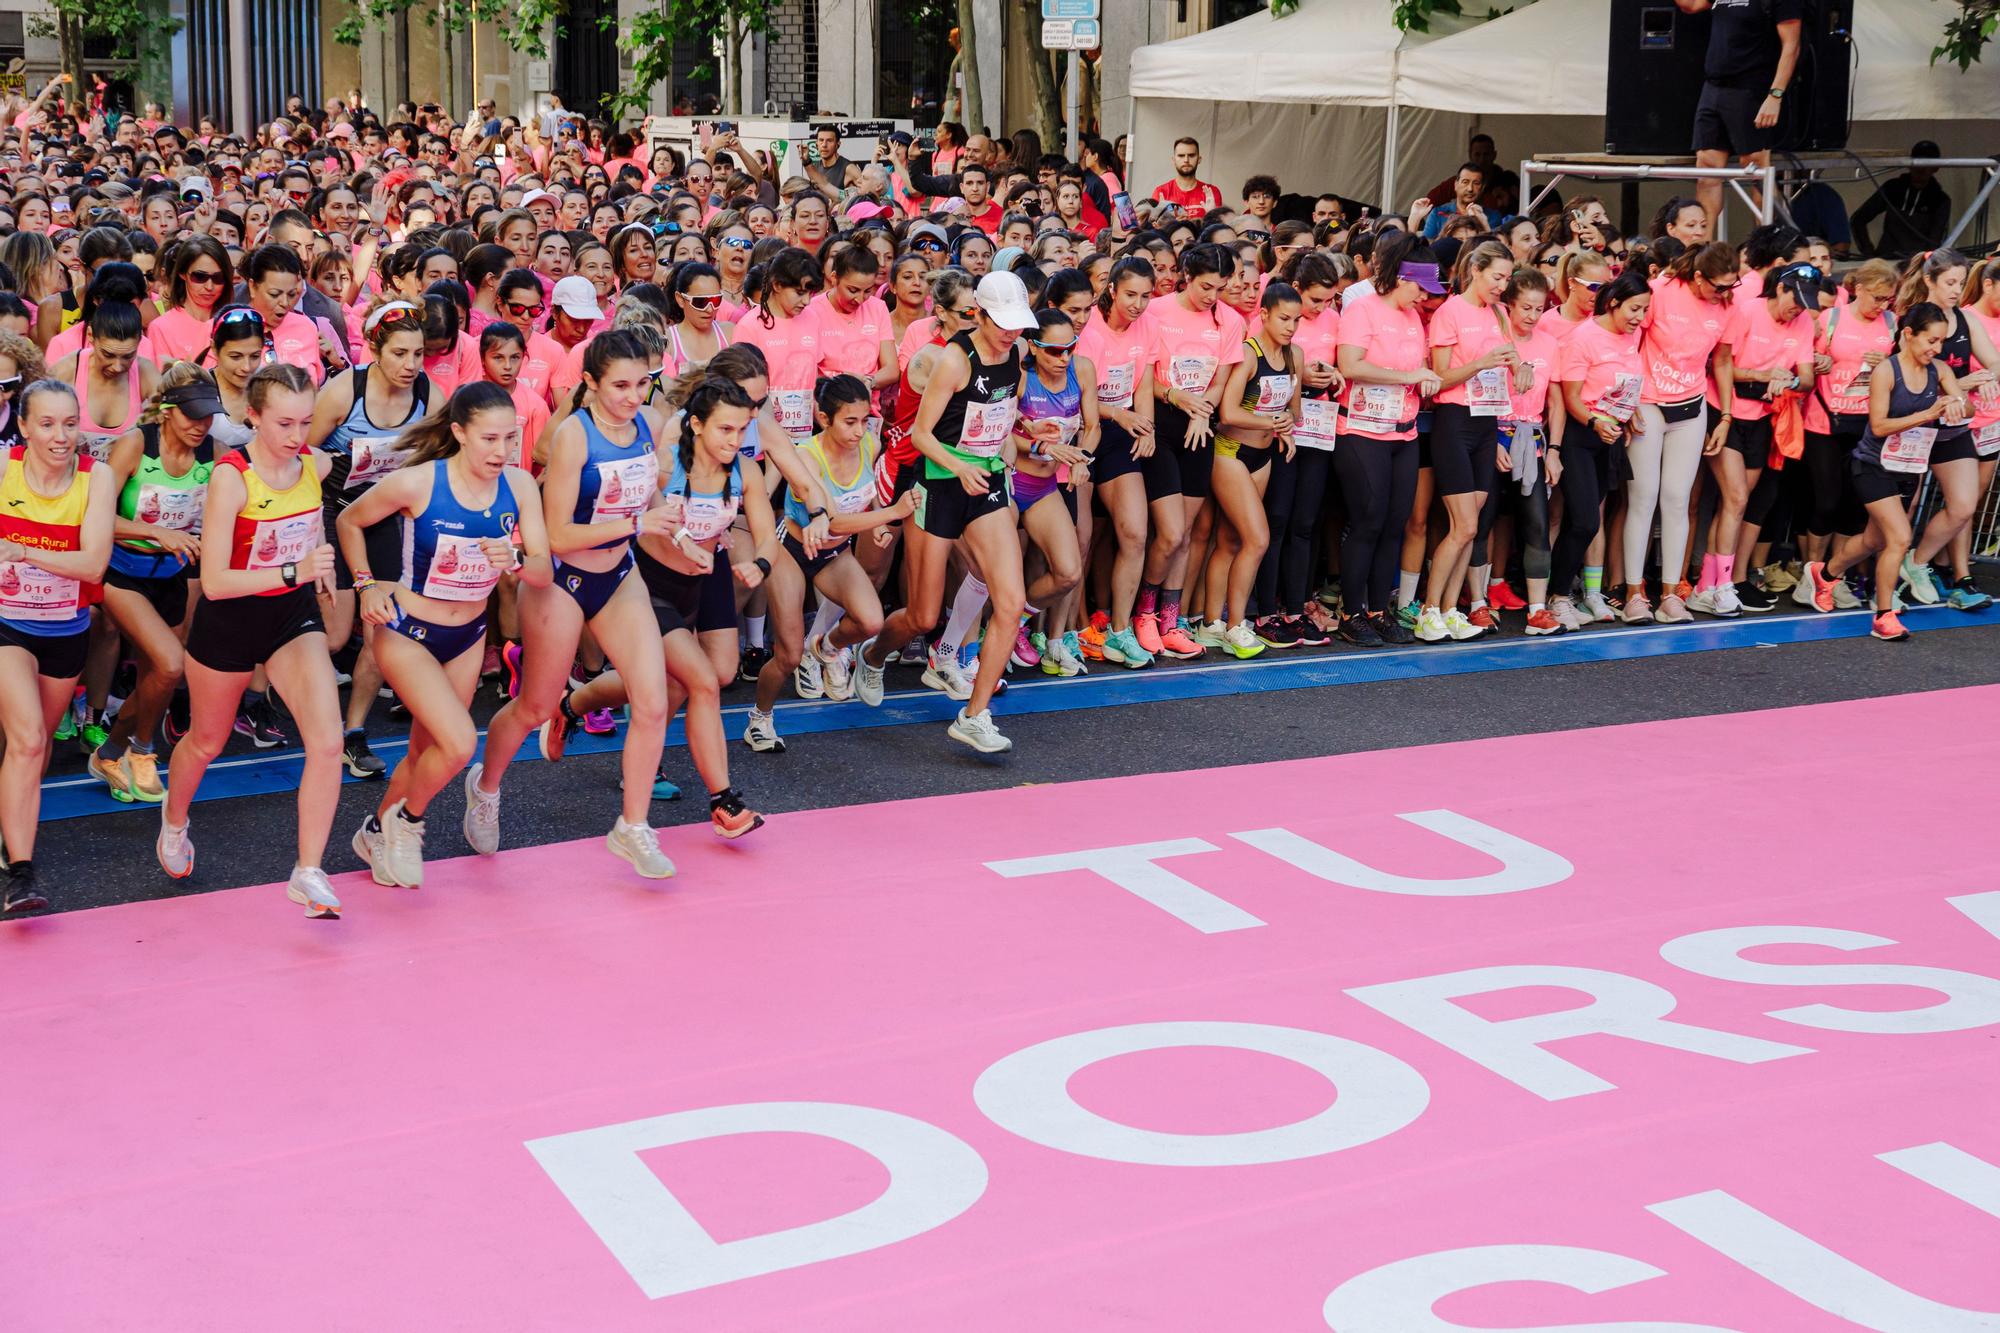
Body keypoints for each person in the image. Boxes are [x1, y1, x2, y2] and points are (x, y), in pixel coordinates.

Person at [337, 382, 551, 889]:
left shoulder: (519, 486)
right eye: (488, 439)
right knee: (457, 746)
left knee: (423, 753)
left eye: (509, 439)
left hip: (468, 636)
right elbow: (349, 521)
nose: (501, 452)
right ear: (458, 433)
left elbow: (542, 567)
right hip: (407, 632)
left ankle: (374, 831)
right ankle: (408, 822)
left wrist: (517, 560)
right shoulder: (418, 483)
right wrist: (366, 585)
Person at [158, 364, 345, 919]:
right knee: (206, 742)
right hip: (231, 621)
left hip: (290, 618)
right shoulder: (231, 478)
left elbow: (310, 523)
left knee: (328, 742)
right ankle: (174, 819)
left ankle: (308, 871)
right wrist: (294, 569)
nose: (296, 436)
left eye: (306, 423)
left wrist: (324, 564)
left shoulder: (317, 462)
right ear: (253, 417)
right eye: (284, 423)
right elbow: (214, 581)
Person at [856, 270, 1040, 755]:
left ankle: (974, 716)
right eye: (1002, 322)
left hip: (986, 484)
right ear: (977, 312)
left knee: (1009, 599)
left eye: (1017, 323)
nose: (1011, 332)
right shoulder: (955, 359)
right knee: (921, 615)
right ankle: (873, 654)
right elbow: (920, 434)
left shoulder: (1017, 353)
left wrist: (1009, 450)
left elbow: (1003, 413)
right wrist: (959, 467)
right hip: (939, 483)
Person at [0, 379, 115, 914]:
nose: (60, 435)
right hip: (7, 626)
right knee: (25, 740)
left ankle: (9, 827)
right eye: (46, 424)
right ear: (22, 427)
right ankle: (22, 873)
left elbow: (92, 565)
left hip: (65, 631)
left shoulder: (98, 478)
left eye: (70, 423)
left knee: (37, 747)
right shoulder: (3, 471)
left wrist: (21, 549)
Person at [306, 300, 435, 779]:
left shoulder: (426, 393)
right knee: (337, 634)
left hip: (382, 518)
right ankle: (304, 706)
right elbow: (302, 453)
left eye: (418, 354)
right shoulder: (345, 391)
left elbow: (439, 453)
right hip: (333, 512)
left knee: (380, 629)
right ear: (375, 350)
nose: (410, 365)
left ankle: (353, 733)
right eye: (400, 353)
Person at [744, 375, 907, 750]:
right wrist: (891, 515)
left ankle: (826, 646)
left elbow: (867, 494)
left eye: (865, 420)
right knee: (787, 654)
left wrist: (879, 516)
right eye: (849, 421)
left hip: (835, 552)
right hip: (794, 550)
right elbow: (832, 520)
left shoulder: (869, 443)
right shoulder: (806, 455)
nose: (859, 430)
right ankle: (760, 719)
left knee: (870, 621)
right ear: (823, 418)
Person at [1796, 302, 1969, 642]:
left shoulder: (1940, 370)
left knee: (1873, 540)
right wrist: (1929, 413)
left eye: (1941, 342)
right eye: (1931, 340)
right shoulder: (1887, 372)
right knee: (1899, 538)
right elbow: (1877, 425)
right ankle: (1883, 616)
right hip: (1872, 466)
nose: (1936, 348)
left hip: (1908, 467)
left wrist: (1958, 404)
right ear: (1908, 335)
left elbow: (1967, 404)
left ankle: (1824, 573)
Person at [89, 365, 221, 804]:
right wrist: (155, 533)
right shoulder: (134, 446)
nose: (201, 426)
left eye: (208, 416)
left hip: (172, 576)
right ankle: (143, 751)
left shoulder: (213, 455)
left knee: (156, 683)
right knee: (169, 664)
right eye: (192, 416)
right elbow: (95, 518)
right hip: (122, 573)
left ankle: (109, 754)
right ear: (166, 411)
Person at [1135, 243, 1244, 661]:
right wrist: (1177, 397)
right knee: (1171, 532)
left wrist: (1205, 413)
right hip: (1161, 422)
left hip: (1200, 427)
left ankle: (1170, 618)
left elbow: (1220, 377)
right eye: (1204, 287)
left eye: (1219, 288)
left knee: (1186, 537)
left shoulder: (1229, 320)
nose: (1212, 296)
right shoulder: (1157, 311)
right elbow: (1145, 379)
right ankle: (1143, 613)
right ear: (1185, 275)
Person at [1333, 232, 1443, 645]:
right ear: (1400, 276)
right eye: (1420, 288)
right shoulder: (1362, 309)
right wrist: (1408, 377)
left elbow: (1415, 368)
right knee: (1368, 519)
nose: (1424, 298)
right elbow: (1351, 364)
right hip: (1361, 429)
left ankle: (1379, 609)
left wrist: (1423, 381)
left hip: (1404, 430)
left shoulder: (1413, 318)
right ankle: (1351, 612)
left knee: (1395, 523)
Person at [1625, 241, 1739, 623]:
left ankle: (1671, 593)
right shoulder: (1660, 292)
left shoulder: (1726, 307)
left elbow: (1722, 360)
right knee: (1643, 496)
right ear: (1698, 277)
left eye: (1731, 287)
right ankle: (1633, 592)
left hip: (1692, 404)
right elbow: (1630, 341)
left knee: (1677, 499)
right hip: (1648, 399)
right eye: (1719, 287)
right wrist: (1625, 403)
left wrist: (1725, 416)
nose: (1724, 294)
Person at [1416, 241, 1518, 641]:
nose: (1502, 286)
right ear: (1475, 270)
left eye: (1508, 278)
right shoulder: (1449, 312)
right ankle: (1428, 610)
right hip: (1454, 419)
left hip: (1486, 420)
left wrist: (1520, 369)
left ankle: (1448, 609)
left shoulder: (1500, 312)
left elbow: (1510, 359)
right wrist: (1479, 364)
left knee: (1471, 529)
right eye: (1497, 277)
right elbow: (1439, 377)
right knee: (1463, 526)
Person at [1551, 270, 1652, 631]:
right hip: (1581, 435)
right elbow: (1571, 397)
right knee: (1584, 521)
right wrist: (1596, 421)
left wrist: (1629, 413)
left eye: (1643, 311)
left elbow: (1626, 383)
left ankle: (1568, 594)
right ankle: (1558, 597)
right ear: (1613, 303)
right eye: (1634, 309)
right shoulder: (1584, 338)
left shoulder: (1633, 335)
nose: (1639, 318)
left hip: (1610, 438)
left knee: (1587, 522)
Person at [1203, 283, 1299, 657]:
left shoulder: (1294, 356)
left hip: (1263, 456)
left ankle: (1211, 623)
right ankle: (1235, 625)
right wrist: (1273, 423)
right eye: (1284, 319)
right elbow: (1227, 414)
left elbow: (1294, 411)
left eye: (1297, 320)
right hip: (1230, 451)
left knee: (1231, 541)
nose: (1291, 327)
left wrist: (1286, 426)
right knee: (1257, 539)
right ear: (1264, 315)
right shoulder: (1247, 353)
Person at [1680, 0, 1803, 223]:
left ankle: (1766, 245)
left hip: (1750, 87)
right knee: (1707, 166)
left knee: (1755, 166)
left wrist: (1775, 95)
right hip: (1713, 86)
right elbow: (1689, 5)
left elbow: (1791, 46)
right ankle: (1702, 248)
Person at [1851, 142, 1952, 261]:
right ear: (1909, 164)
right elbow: (1858, 219)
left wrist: (1925, 264)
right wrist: (1869, 254)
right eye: (1917, 163)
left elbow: (1935, 240)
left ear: (1936, 168)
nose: (1921, 168)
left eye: (1927, 164)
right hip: (1887, 260)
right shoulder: (1892, 188)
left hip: (1917, 265)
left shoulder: (1940, 200)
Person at [1151, 137, 1225, 215]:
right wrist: (1165, 220)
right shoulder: (1161, 192)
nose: (1186, 160)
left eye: (1191, 155)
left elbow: (1216, 225)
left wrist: (1211, 214)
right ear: (1174, 160)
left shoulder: (1211, 192)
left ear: (1199, 159)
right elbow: (1153, 224)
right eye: (1181, 155)